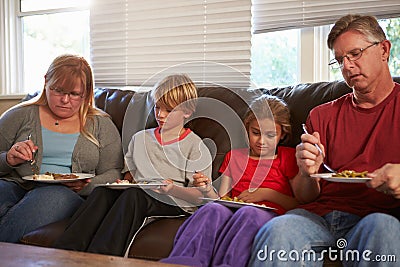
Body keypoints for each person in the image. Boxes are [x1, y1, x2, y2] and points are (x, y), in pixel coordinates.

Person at [249, 14, 400, 267]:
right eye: (340, 60)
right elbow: (305, 196)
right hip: (317, 217)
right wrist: (307, 172)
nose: (347, 67)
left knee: (384, 228)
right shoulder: (321, 115)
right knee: (279, 230)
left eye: (355, 53)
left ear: (384, 50)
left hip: (376, 216)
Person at [53, 73, 212, 256]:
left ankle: (102, 257)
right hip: (139, 191)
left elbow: (199, 198)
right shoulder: (140, 138)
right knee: (102, 192)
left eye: (169, 110)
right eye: (157, 107)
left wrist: (171, 190)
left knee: (134, 196)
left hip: (174, 200)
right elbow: (130, 176)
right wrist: (124, 183)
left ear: (187, 111)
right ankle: (64, 253)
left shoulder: (196, 146)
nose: (160, 115)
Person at [161, 95, 299, 267]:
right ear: (247, 129)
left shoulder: (289, 157)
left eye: (271, 135)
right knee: (212, 209)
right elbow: (223, 199)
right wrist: (207, 189)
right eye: (255, 133)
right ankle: (182, 263)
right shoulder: (234, 156)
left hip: (266, 214)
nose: (262, 141)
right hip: (233, 211)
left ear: (282, 134)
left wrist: (265, 194)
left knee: (249, 213)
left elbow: (297, 204)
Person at [0, 54, 124, 243]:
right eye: (58, 90)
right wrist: (8, 159)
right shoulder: (18, 115)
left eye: (74, 94)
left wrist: (86, 185)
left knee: (51, 197)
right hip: (15, 184)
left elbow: (113, 172)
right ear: (46, 82)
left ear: (87, 92)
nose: (65, 100)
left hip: (65, 194)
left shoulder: (101, 124)